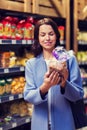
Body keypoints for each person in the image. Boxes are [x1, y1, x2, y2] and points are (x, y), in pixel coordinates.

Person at [24, 18, 84, 130]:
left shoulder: (69, 60)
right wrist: (44, 87)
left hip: (65, 123)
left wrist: (64, 83)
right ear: (38, 38)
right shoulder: (31, 64)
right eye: (42, 35)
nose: (47, 38)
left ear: (56, 36)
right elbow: (28, 96)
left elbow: (78, 95)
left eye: (51, 34)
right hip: (39, 124)